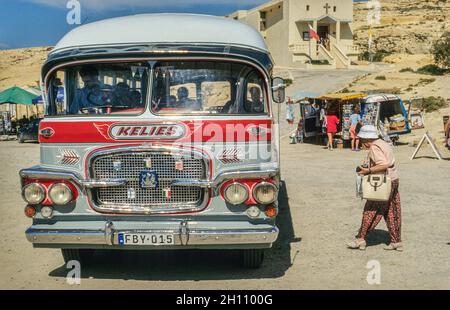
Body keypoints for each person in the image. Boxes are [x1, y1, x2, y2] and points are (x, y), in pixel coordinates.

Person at [348, 125, 402, 251]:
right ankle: (396, 241)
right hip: (393, 179)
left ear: (367, 139)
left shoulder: (374, 147)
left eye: (362, 139)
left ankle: (361, 238)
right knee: (392, 210)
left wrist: (368, 170)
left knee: (371, 210)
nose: (361, 142)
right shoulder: (383, 143)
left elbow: (383, 164)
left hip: (382, 182)